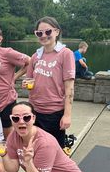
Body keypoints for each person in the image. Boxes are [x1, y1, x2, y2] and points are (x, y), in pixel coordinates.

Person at [25, 16, 75, 149]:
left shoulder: (65, 54)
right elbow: (28, 80)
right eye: (39, 33)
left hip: (54, 112)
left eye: (48, 32)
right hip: (35, 111)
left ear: (56, 32)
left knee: (54, 150)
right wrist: (27, 84)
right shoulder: (35, 56)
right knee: (36, 148)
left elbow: (69, 88)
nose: (43, 36)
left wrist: (67, 115)